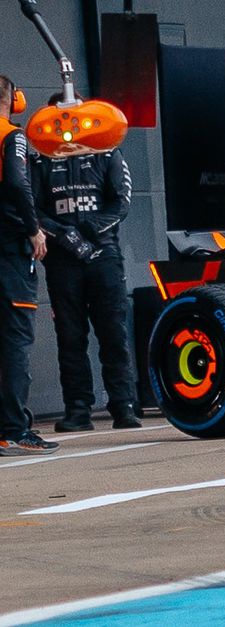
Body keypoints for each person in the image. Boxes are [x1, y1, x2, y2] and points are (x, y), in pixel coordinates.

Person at [31, 93, 141, 431]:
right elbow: (32, 208)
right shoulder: (39, 162)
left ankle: (123, 406)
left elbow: (121, 203)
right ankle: (78, 410)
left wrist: (86, 231)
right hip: (63, 261)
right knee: (70, 335)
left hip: (102, 255)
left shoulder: (107, 153)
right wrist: (64, 235)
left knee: (113, 330)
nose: (70, 126)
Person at [0, 75, 57, 456]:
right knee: (16, 343)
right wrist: (34, 229)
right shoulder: (12, 136)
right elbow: (19, 184)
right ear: (14, 99)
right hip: (9, 252)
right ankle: (14, 430)